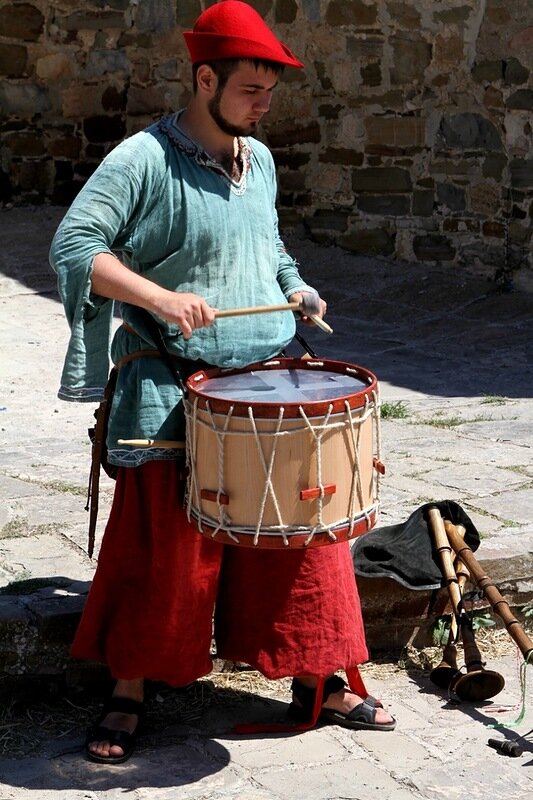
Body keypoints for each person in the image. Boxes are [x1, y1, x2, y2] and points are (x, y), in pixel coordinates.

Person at [50, 0, 395, 765]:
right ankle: (131, 686)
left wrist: (296, 286)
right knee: (164, 547)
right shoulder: (143, 159)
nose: (262, 104)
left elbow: (268, 250)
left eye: (270, 91)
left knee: (305, 537)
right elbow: (76, 246)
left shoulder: (259, 157)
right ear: (204, 78)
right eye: (249, 89)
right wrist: (159, 298)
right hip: (174, 384)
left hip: (266, 379)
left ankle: (321, 678)